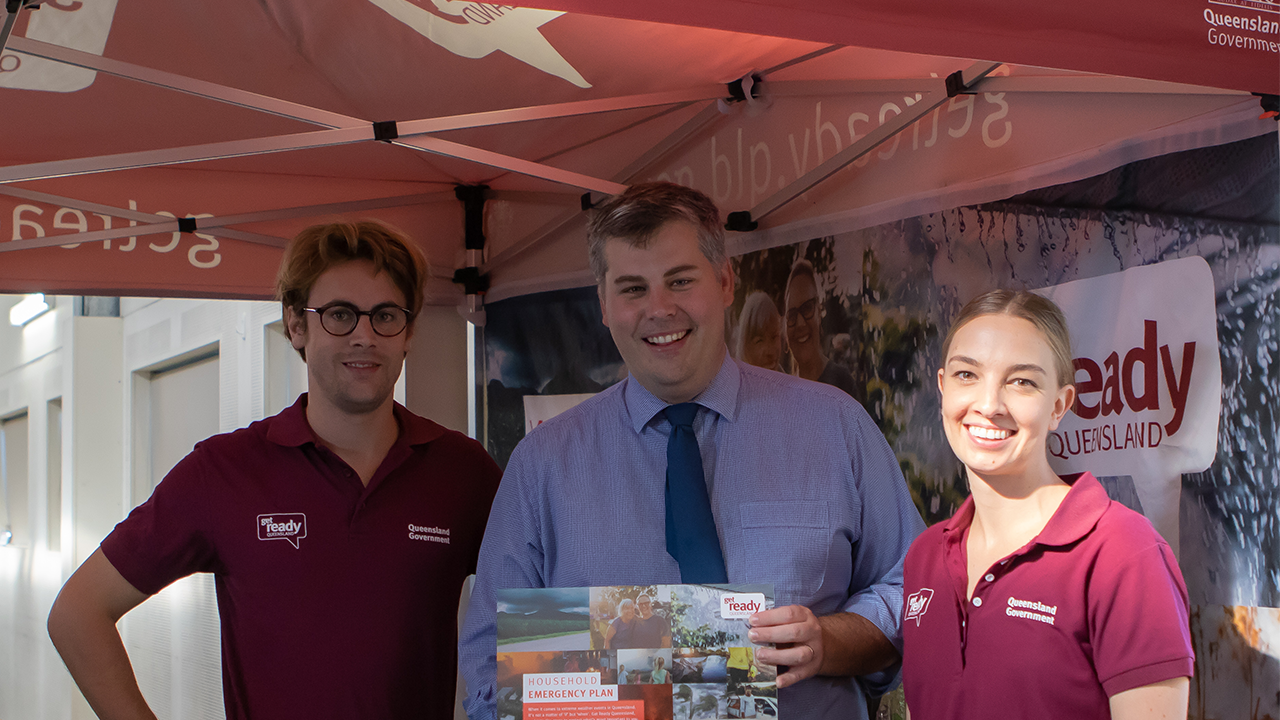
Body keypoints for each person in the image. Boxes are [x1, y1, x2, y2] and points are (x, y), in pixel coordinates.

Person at [459, 181, 925, 720]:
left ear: (726, 281)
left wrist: (827, 640)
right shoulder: (541, 465)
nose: (660, 309)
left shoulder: (835, 425)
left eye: (680, 280)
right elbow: (490, 663)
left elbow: (911, 589)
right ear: (604, 306)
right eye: (632, 288)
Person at [46, 221, 502, 720]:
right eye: (340, 315)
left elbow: (546, 609)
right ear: (296, 325)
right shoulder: (223, 471)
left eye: (386, 315)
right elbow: (77, 613)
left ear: (408, 331)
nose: (365, 337)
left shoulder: (463, 472)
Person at [901, 290, 1193, 719]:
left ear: (1059, 405)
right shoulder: (924, 557)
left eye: (1022, 381)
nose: (988, 405)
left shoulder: (1123, 553)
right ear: (942, 387)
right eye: (968, 375)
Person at [784, 260, 856, 396]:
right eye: (792, 315)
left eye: (807, 308)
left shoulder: (842, 383)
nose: (800, 323)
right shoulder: (786, 392)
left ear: (819, 311)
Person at [735, 290, 784, 372]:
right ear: (745, 346)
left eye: (774, 337)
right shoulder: (734, 382)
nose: (770, 351)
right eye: (759, 341)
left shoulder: (788, 382)